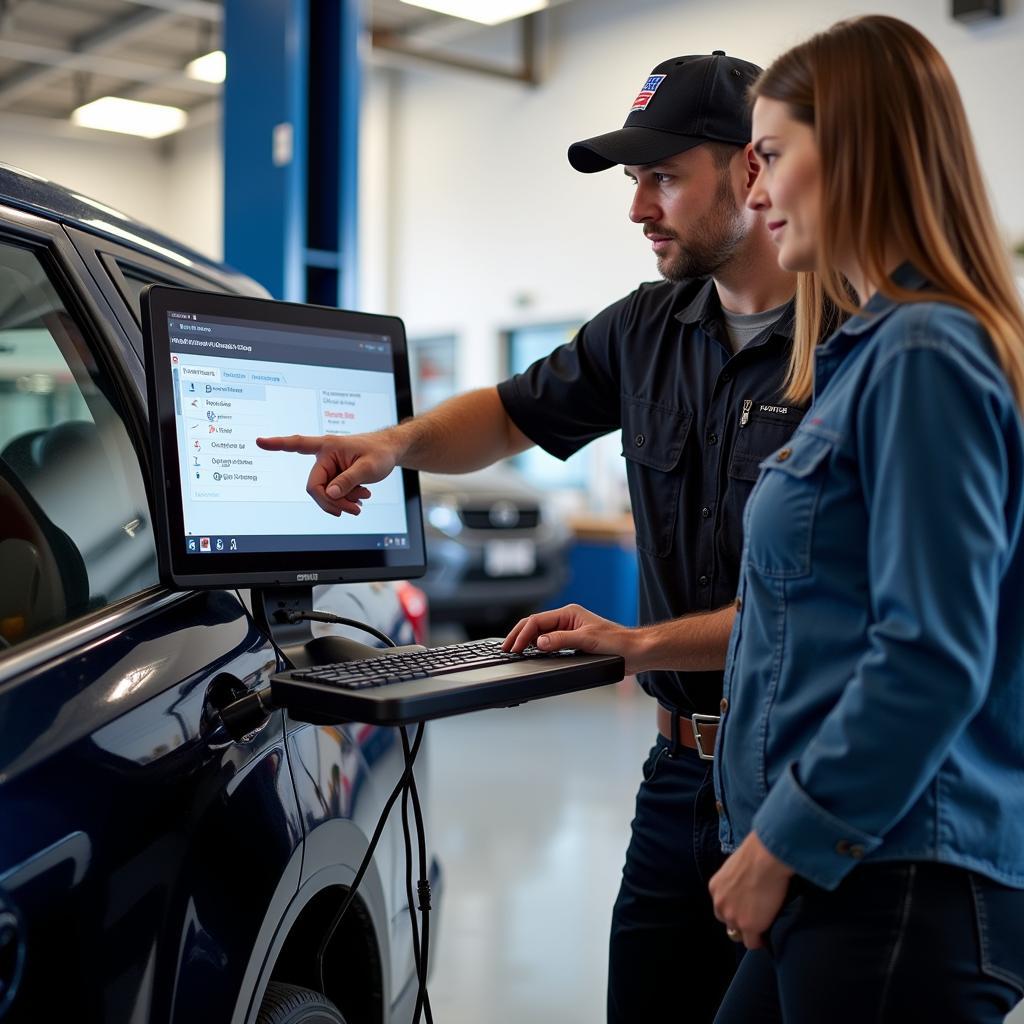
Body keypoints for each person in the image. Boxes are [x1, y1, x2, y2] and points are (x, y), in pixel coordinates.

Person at [258, 52, 800, 1023]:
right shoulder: (643, 328)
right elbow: (509, 414)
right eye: (633, 180)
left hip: (807, 768)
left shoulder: (854, 347)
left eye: (663, 175)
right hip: (678, 770)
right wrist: (396, 442)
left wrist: (636, 644)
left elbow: (855, 608)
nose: (638, 207)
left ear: (750, 169)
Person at [705, 16, 1024, 1024]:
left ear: (852, 151)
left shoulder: (925, 353)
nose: (752, 195)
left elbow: (929, 654)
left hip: (899, 876)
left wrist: (777, 843)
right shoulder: (867, 356)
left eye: (768, 156)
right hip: (855, 866)